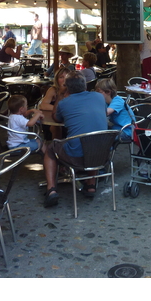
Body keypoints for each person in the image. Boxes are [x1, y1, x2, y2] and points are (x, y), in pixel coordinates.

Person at [42, 72, 108, 207]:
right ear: (85, 85)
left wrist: (60, 95)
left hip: (76, 157)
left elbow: (56, 118)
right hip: (102, 154)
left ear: (68, 88)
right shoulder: (99, 97)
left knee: (50, 148)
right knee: (92, 139)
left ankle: (51, 189)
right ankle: (90, 184)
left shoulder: (65, 103)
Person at [39, 67, 70, 140]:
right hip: (52, 122)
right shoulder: (53, 90)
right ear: (57, 79)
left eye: (67, 77)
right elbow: (43, 105)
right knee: (56, 128)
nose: (64, 80)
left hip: (67, 121)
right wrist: (58, 109)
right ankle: (56, 148)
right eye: (61, 77)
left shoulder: (73, 90)